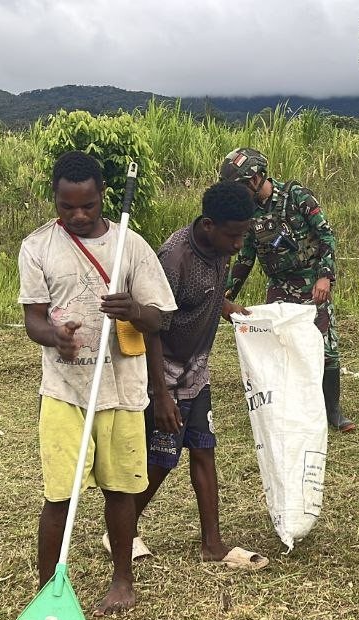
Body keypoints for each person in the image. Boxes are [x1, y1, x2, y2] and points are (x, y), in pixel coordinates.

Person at [16, 150, 177, 615]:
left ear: (103, 196)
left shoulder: (133, 246)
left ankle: (122, 579)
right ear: (55, 200)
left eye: (88, 205)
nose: (79, 216)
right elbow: (33, 320)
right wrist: (55, 338)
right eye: (68, 207)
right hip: (65, 392)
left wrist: (134, 311)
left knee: (121, 490)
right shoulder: (38, 247)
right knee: (59, 496)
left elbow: (160, 317)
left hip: (123, 390)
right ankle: (49, 590)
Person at [130, 181, 270, 571]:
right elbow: (153, 324)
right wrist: (160, 394)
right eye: (234, 235)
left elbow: (205, 294)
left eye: (244, 234)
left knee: (204, 450)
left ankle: (213, 544)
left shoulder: (220, 247)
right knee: (162, 459)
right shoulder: (174, 259)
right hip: (166, 375)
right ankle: (122, 529)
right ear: (208, 225)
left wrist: (227, 308)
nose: (239, 244)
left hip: (198, 371)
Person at [219, 147, 356, 433]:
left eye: (242, 186)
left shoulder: (296, 197)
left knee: (325, 347)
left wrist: (325, 277)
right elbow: (246, 257)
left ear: (256, 178)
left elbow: (326, 236)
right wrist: (226, 294)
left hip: (310, 283)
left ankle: (333, 410)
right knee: (280, 346)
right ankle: (290, 408)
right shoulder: (248, 213)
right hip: (279, 288)